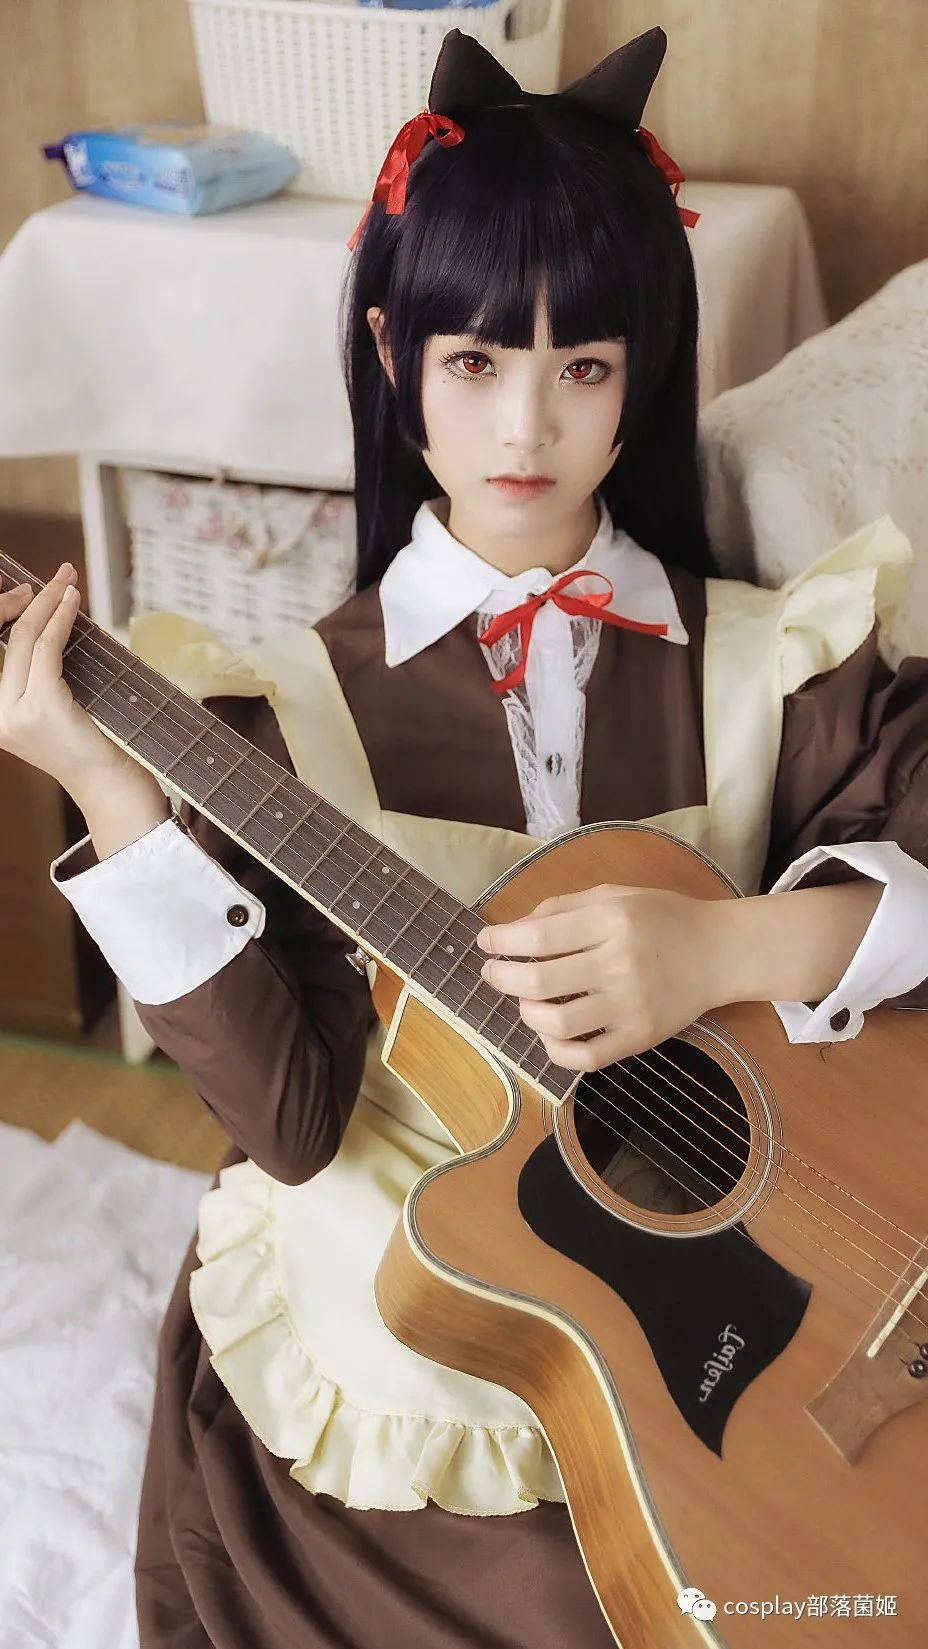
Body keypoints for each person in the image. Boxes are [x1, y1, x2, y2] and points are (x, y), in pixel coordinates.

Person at [1, 24, 926, 1649]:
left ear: (645, 367)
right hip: (427, 1352)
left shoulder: (773, 657)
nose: (527, 430)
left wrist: (728, 944)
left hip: (797, 1272)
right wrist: (115, 795)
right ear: (393, 350)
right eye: (478, 363)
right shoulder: (289, 715)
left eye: (585, 369)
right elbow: (289, 1126)